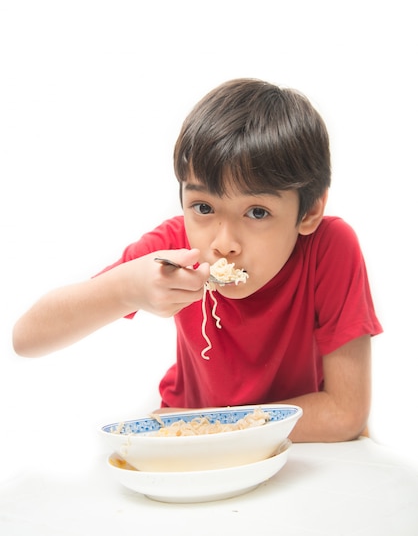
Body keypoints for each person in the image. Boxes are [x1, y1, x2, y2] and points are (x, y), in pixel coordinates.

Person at [12, 78, 383, 442]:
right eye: (203, 207)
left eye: (257, 212)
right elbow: (26, 338)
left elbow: (344, 413)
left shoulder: (330, 248)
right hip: (192, 454)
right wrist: (126, 289)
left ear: (309, 211)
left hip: (295, 446)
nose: (223, 244)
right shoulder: (175, 247)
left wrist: (203, 425)